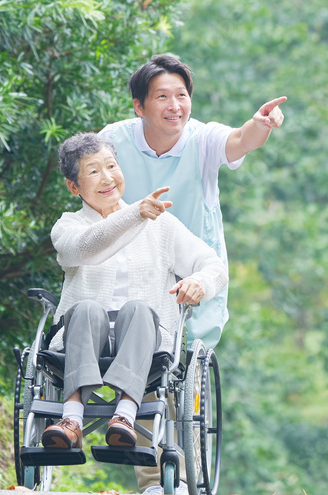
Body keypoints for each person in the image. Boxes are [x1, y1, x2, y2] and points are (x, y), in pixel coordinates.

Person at [40, 132, 228, 452]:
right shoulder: (68, 226)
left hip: (146, 339)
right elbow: (87, 248)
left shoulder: (161, 225)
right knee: (86, 308)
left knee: (140, 309)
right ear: (74, 186)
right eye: (93, 171)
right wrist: (134, 214)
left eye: (111, 166)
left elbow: (213, 264)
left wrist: (201, 282)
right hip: (82, 335)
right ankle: (71, 419)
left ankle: (126, 415)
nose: (107, 177)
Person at [100, 53, 286, 351]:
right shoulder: (111, 141)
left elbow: (240, 140)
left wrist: (261, 125)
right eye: (162, 96)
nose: (175, 106)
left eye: (182, 96)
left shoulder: (203, 139)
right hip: (130, 266)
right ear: (139, 106)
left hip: (193, 267)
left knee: (187, 356)